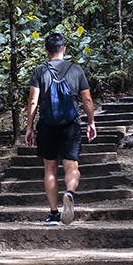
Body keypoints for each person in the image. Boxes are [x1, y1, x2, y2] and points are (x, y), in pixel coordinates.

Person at [24, 32, 96, 224]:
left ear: (47, 52)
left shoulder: (40, 71)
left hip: (47, 125)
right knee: (71, 165)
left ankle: (54, 213)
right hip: (70, 125)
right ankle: (70, 193)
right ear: (64, 49)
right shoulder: (76, 70)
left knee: (50, 169)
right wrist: (91, 122)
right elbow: (87, 99)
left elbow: (33, 101)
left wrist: (30, 126)